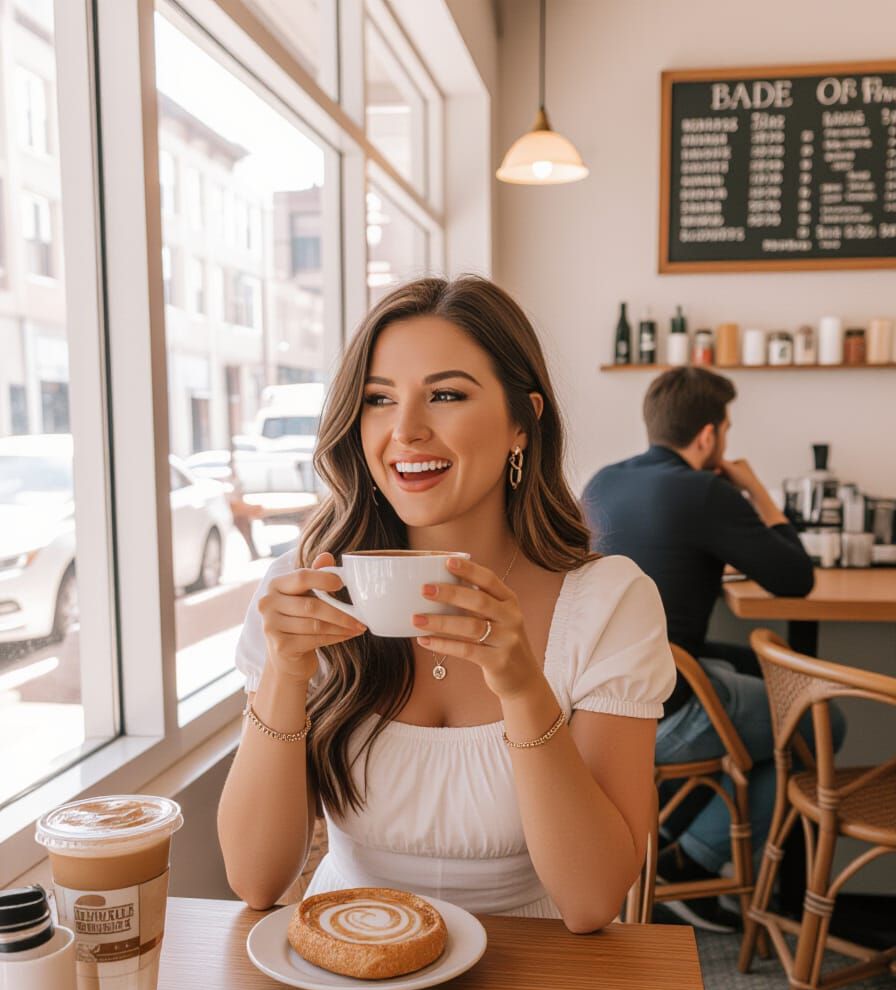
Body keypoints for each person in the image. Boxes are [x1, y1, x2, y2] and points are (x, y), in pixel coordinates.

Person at [219, 275, 675, 931]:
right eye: (379, 399)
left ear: (524, 421)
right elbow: (256, 881)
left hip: (535, 974)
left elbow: (592, 899)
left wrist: (522, 686)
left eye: (446, 395)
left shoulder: (609, 602)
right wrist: (285, 675)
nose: (405, 430)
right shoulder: (303, 588)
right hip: (349, 957)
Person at [582, 366, 836, 933]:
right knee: (820, 719)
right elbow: (795, 578)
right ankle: (687, 863)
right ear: (708, 436)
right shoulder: (706, 490)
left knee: (751, 674)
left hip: (598, 697)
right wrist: (754, 489)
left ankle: (675, 841)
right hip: (669, 702)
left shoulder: (603, 481)